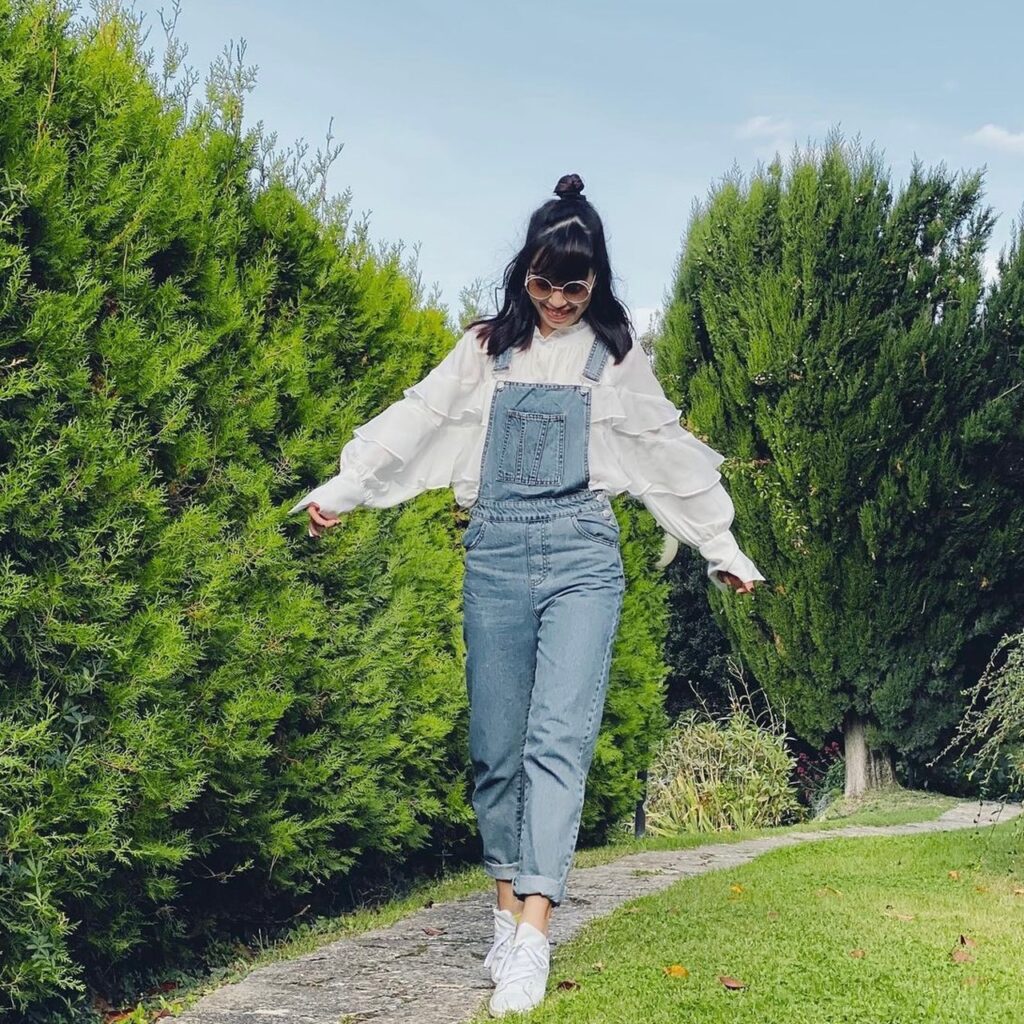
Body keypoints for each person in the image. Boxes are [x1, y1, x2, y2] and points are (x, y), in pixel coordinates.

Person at [288, 173, 765, 1017]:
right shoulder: (483, 350)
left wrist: (719, 547)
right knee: (496, 747)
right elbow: (417, 422)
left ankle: (535, 935)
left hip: (584, 554)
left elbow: (666, 458)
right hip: (496, 555)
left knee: (557, 742)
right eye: (542, 283)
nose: (555, 300)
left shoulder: (613, 358)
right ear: (524, 274)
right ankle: (505, 909)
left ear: (597, 282)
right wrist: (344, 488)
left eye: (573, 286)